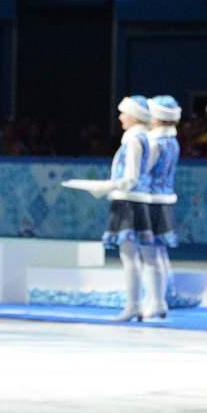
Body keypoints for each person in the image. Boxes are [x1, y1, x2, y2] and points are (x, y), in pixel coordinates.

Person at [81, 96, 157, 321]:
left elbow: (131, 176)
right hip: (134, 199)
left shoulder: (134, 139)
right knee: (136, 256)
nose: (120, 117)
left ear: (134, 116)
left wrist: (107, 187)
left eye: (124, 113)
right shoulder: (141, 137)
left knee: (130, 257)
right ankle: (137, 304)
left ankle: (133, 305)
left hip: (128, 200)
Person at [142, 96, 181, 320]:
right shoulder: (171, 141)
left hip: (152, 200)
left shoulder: (155, 142)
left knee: (151, 254)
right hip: (163, 199)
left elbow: (144, 170)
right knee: (159, 253)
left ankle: (156, 300)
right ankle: (161, 299)